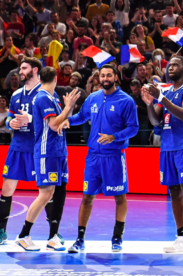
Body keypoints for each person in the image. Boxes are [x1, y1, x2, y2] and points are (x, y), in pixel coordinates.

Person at [62, 64, 139, 252]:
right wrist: (66, 119)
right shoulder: (93, 98)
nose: (105, 78)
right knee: (87, 197)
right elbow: (82, 116)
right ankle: (80, 239)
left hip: (114, 156)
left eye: (109, 75)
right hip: (93, 157)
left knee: (119, 197)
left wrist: (115, 137)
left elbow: (133, 128)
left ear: (115, 77)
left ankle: (117, 238)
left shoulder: (126, 101)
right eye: (102, 75)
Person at [0, 59, 67, 247]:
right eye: (20, 68)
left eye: (24, 68)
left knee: (47, 192)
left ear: (34, 70)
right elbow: (10, 116)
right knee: (6, 189)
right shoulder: (16, 94)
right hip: (17, 147)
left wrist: (29, 119)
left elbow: (52, 120)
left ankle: (53, 234)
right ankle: (1, 231)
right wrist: (10, 123)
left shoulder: (45, 93)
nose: (19, 72)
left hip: (38, 147)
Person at [142, 56, 183, 255]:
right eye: (169, 65)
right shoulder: (167, 91)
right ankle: (181, 238)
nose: (171, 67)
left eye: (175, 64)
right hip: (167, 147)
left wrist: (161, 97)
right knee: (173, 192)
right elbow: (154, 121)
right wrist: (150, 103)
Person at [15, 67, 80, 251]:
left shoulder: (52, 98)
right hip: (47, 151)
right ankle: (23, 235)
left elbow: (59, 122)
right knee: (45, 194)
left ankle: (53, 236)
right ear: (56, 79)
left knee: (59, 192)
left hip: (59, 151)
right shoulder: (43, 97)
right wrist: (67, 108)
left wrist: (68, 109)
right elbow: (52, 125)